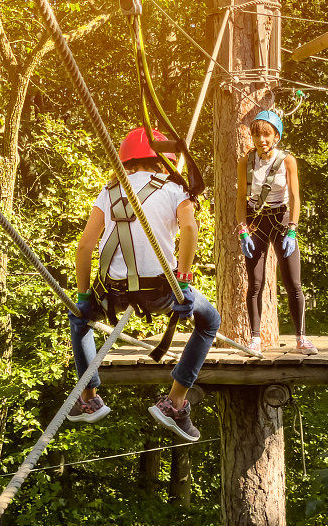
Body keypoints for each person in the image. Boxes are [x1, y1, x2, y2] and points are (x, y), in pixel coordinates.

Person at [66, 127, 220, 442]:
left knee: (80, 320)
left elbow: (84, 248)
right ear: (164, 160)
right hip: (163, 291)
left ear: (126, 161)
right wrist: (185, 280)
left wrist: (83, 296)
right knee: (209, 321)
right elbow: (190, 230)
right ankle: (175, 401)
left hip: (114, 293)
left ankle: (89, 398)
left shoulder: (108, 192)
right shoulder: (176, 189)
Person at [235, 110, 317, 355]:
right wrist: (242, 230)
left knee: (294, 283)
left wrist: (293, 229)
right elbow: (240, 198)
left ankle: (301, 338)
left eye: (267, 135)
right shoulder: (245, 161)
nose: (262, 140)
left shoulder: (287, 160)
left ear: (277, 136)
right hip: (256, 222)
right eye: (257, 135)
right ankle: (255, 338)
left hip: (281, 219)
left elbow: (295, 197)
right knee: (255, 283)